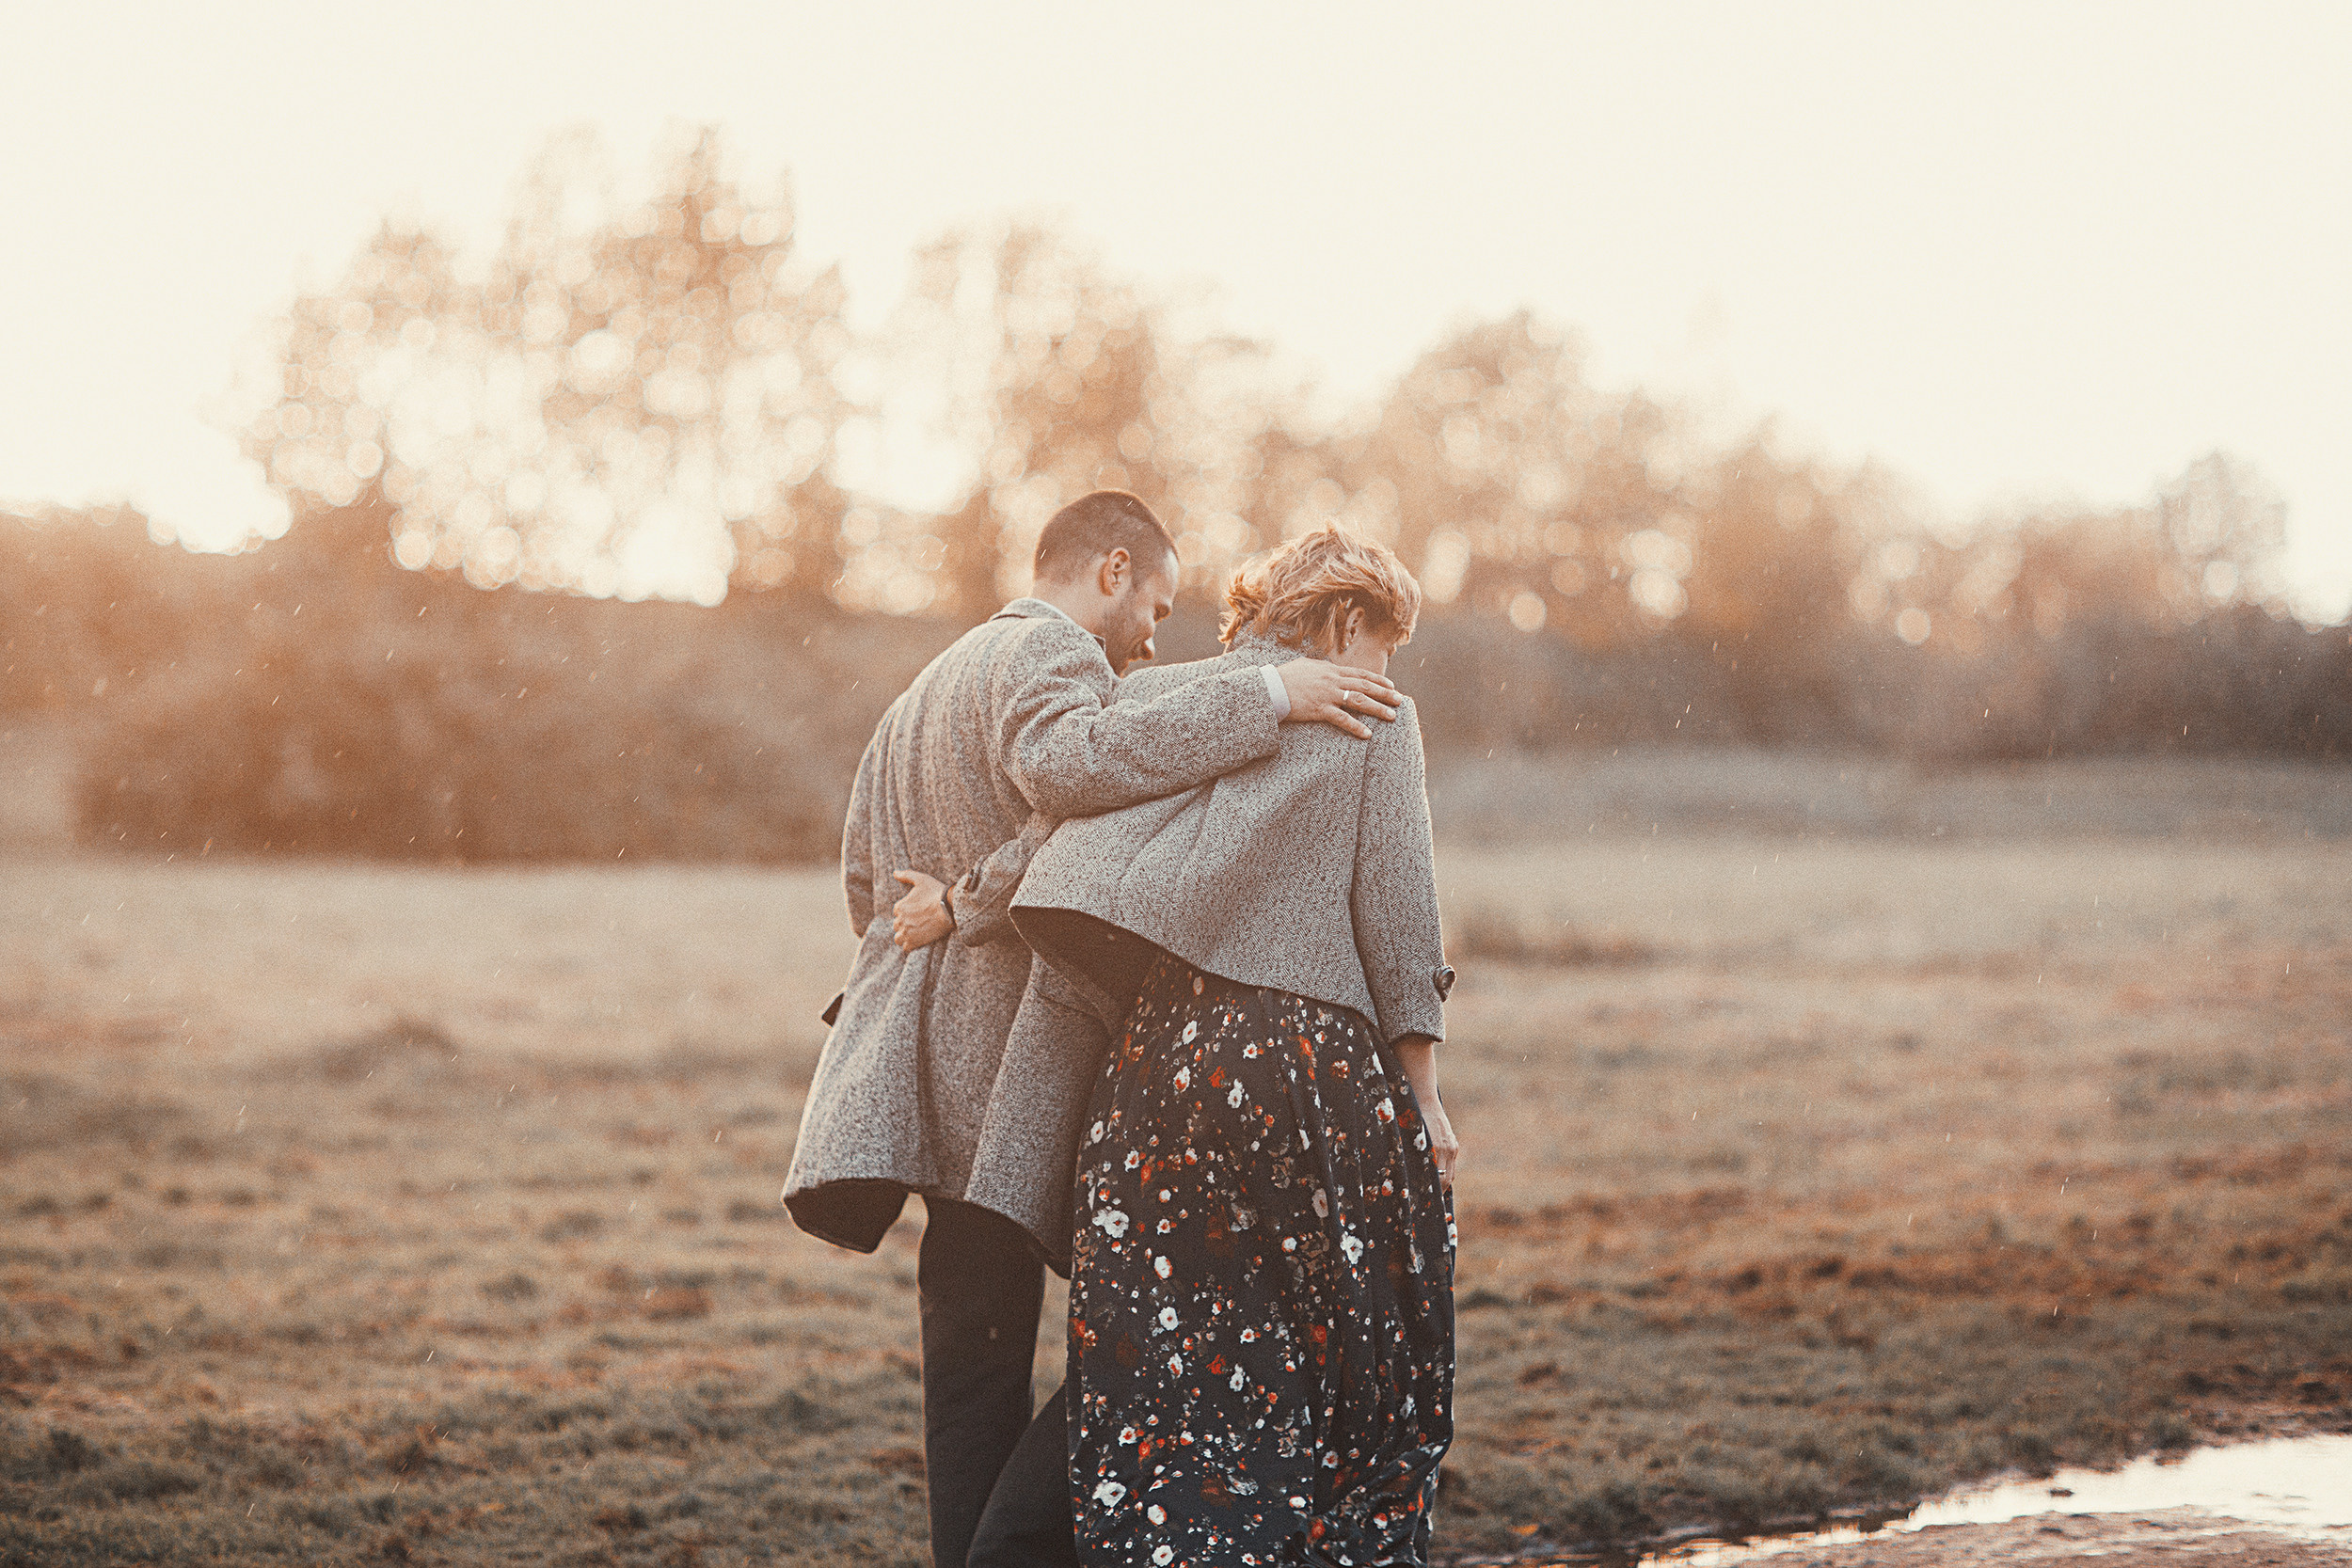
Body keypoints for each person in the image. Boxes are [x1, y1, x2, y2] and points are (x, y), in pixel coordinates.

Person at [783, 491, 1406, 1568]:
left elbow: (867, 888)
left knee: (971, 1369)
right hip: (1019, 1076)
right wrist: (1273, 690)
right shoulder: (1049, 656)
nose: (1155, 637)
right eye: (1156, 604)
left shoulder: (918, 693)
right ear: (1110, 571)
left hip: (927, 1086)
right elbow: (1073, 775)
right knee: (1161, 1316)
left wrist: (943, 936)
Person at [1004, 524, 1461, 1568]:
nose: (1381, 675)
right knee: (1341, 1339)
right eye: (1383, 644)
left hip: (1158, 1066)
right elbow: (1398, 910)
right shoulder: (1372, 711)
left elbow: (1060, 805)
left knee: (1171, 1347)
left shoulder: (1165, 697)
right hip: (1301, 1065)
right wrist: (1424, 1092)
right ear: (1349, 620)